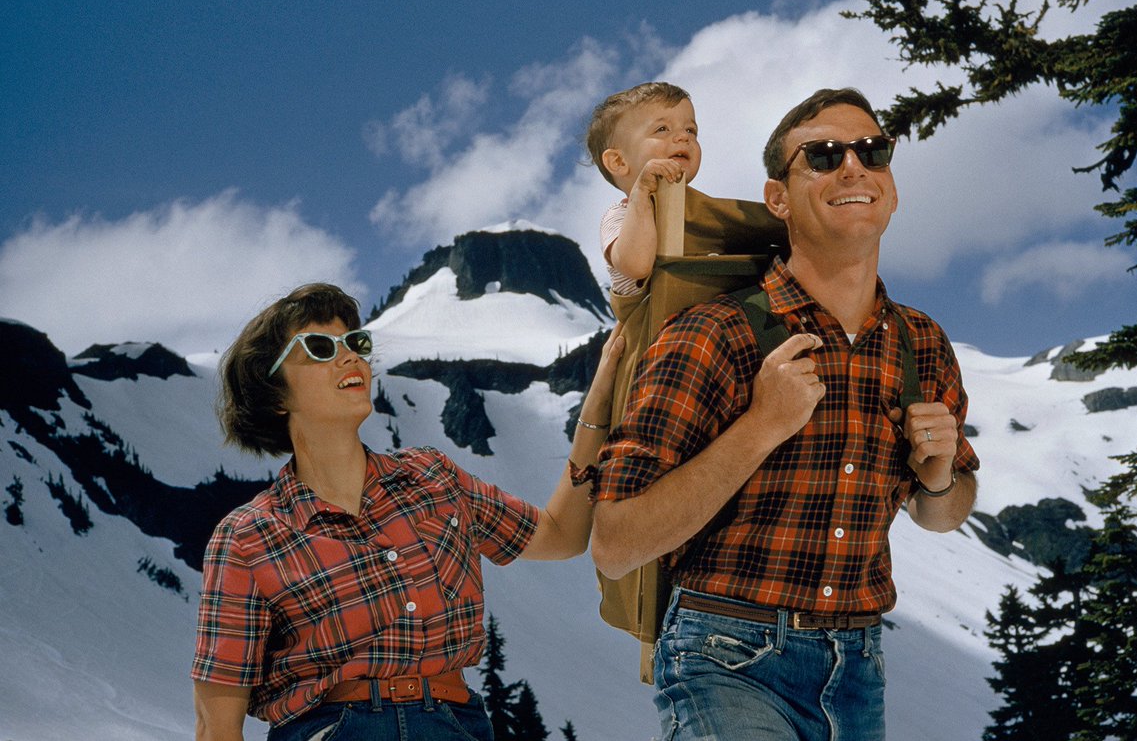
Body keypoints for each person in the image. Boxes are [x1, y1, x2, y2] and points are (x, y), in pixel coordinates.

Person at [591, 88, 980, 741]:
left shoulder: (921, 344)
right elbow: (614, 543)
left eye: (872, 152)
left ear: (890, 188)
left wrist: (939, 476)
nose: (853, 167)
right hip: (724, 654)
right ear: (778, 199)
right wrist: (761, 426)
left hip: (858, 670)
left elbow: (944, 511)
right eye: (823, 156)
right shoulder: (712, 333)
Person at [191, 282, 624, 741]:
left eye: (356, 343)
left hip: (454, 725)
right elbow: (217, 726)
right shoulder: (248, 536)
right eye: (319, 348)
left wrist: (596, 405)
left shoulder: (432, 477)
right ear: (275, 395)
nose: (349, 357)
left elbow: (561, 535)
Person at [585, 81, 701, 302]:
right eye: (662, 129)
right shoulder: (618, 216)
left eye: (690, 130)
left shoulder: (701, 211)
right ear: (618, 162)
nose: (683, 137)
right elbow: (636, 265)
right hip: (657, 319)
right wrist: (641, 195)